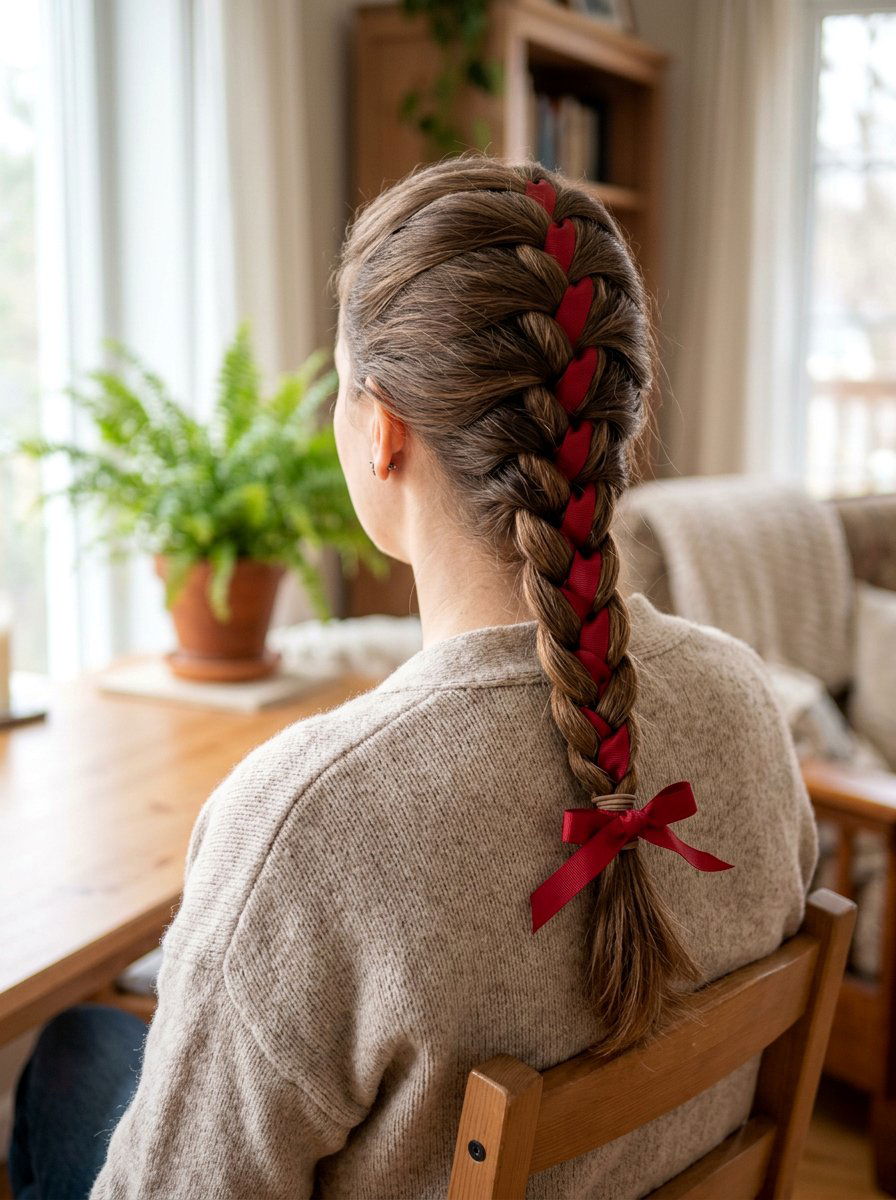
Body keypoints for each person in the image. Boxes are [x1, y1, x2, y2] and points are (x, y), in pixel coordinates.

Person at [9, 157, 817, 1200]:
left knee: (73, 1056)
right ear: (617, 422)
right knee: (87, 1049)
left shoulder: (308, 829)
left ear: (380, 429)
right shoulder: (741, 699)